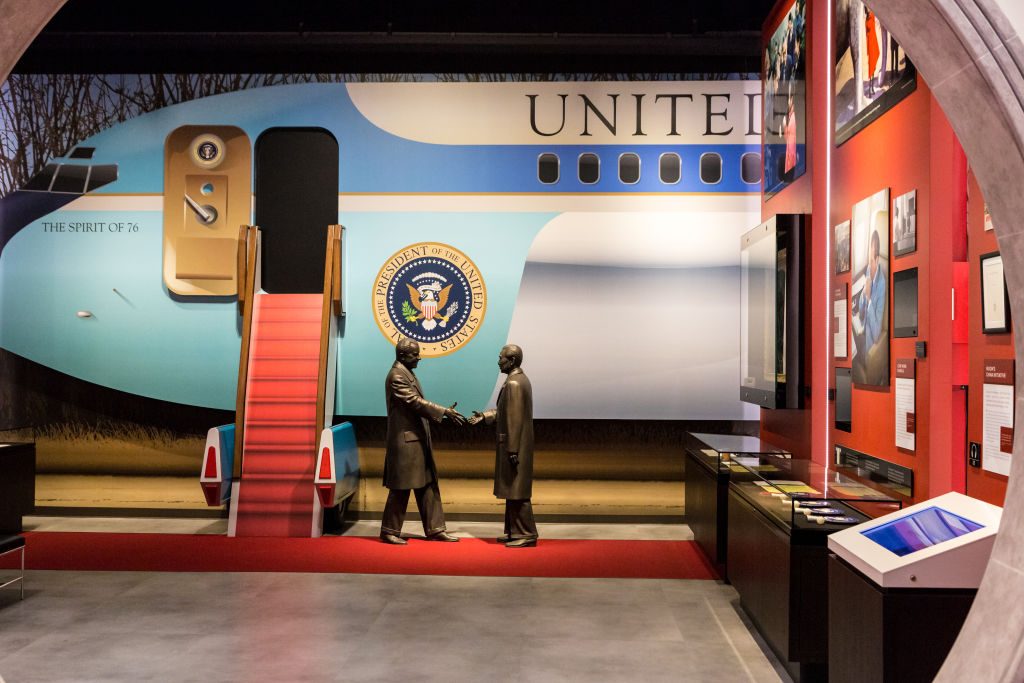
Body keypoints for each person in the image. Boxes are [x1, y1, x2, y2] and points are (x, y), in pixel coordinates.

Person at [379, 337, 466, 545]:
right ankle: (389, 531)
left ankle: (435, 529)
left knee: (427, 484)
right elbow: (414, 402)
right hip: (406, 443)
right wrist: (443, 411)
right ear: (402, 356)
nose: (419, 357)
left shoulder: (406, 373)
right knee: (401, 488)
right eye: (414, 354)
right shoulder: (396, 376)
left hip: (416, 441)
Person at [468, 344, 537, 548]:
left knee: (517, 492)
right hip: (515, 445)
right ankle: (514, 532)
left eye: (501, 358)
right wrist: (485, 416)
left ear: (512, 360)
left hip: (514, 446)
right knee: (513, 491)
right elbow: (505, 411)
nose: (498, 362)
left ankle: (527, 533)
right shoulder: (517, 380)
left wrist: (512, 448)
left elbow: (514, 419)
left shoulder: (514, 384)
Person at [858, 228, 887, 353]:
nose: (869, 267)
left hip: (869, 341)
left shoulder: (882, 285)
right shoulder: (869, 269)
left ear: (878, 260)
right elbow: (861, 313)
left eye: (871, 262)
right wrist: (863, 294)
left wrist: (869, 299)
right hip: (862, 330)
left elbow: (876, 335)